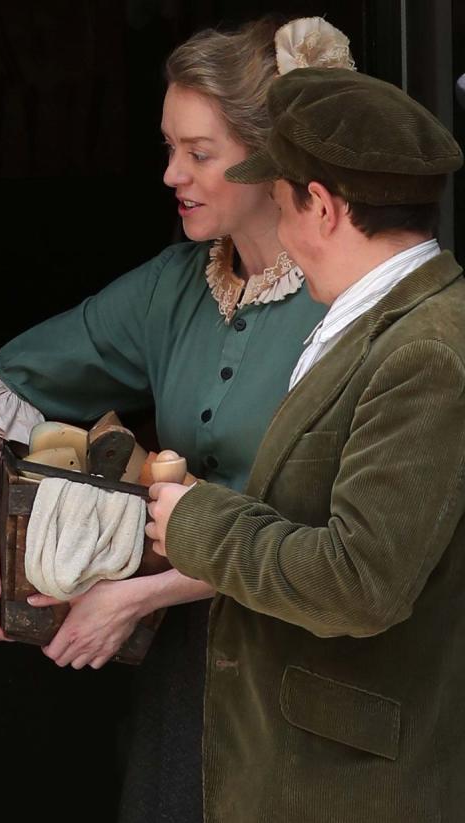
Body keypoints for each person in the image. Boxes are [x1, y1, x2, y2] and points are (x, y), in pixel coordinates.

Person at [0, 16, 348, 821]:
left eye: (198, 153)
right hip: (185, 674)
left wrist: (136, 597)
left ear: (274, 153)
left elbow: (330, 533)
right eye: (169, 148)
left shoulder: (347, 297)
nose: (171, 173)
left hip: (312, 667)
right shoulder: (173, 286)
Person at [146, 68, 464, 822]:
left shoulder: (427, 350)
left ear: (321, 207)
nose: (276, 230)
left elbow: (359, 580)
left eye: (281, 202)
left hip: (352, 789)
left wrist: (197, 522)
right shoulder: (375, 320)